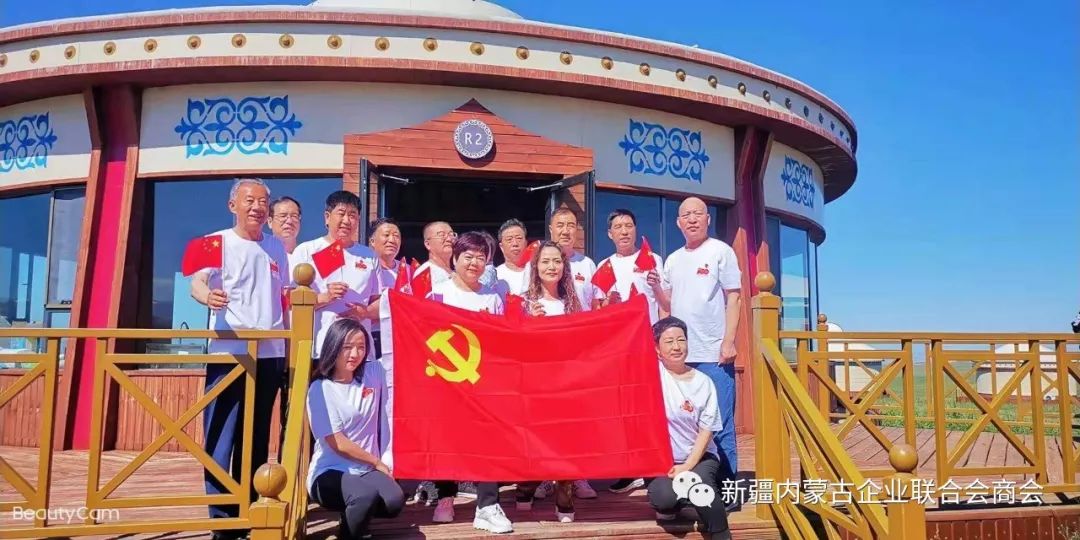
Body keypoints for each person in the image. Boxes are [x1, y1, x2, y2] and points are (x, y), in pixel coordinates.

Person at [189, 178, 289, 539]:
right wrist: (207, 296)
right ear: (233, 205)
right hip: (229, 354)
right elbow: (196, 283)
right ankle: (222, 521)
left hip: (270, 354)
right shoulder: (213, 241)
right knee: (221, 436)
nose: (257, 208)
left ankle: (249, 512)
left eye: (263, 202)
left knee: (257, 436)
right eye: (250, 201)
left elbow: (284, 299)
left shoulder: (277, 247)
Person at [653, 197, 742, 507]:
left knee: (721, 424)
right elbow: (668, 305)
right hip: (679, 357)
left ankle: (728, 490)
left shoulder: (721, 251)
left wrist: (728, 341)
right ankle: (692, 485)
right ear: (678, 223)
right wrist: (656, 289)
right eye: (686, 215)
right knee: (680, 422)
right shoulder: (673, 260)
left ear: (708, 219)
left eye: (697, 214)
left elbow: (734, 298)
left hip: (713, 353)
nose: (692, 219)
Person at [426, 231, 513, 534]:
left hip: (483, 382)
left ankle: (487, 505)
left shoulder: (492, 298)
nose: (474, 263)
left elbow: (501, 341)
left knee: (488, 441)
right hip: (447, 380)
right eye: (468, 256)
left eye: (481, 257)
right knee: (446, 439)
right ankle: (445, 496)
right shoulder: (437, 294)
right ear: (455, 258)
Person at [307, 318, 403, 540]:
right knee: (363, 496)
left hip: (365, 470)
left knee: (394, 501)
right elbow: (337, 443)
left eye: (361, 347)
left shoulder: (373, 373)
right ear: (333, 347)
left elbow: (401, 352)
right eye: (347, 347)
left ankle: (354, 515)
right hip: (330, 470)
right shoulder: (320, 388)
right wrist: (377, 462)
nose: (355, 354)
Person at [512, 241, 583, 523]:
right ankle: (526, 486)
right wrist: (527, 323)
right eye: (545, 261)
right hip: (534, 385)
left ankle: (564, 496)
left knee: (567, 441)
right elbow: (509, 343)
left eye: (557, 261)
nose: (551, 267)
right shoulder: (523, 303)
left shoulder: (573, 304)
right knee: (533, 440)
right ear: (536, 267)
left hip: (567, 385)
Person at [598, 207, 665, 495]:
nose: (624, 231)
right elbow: (599, 312)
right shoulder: (604, 266)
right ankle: (628, 469)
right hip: (619, 352)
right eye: (618, 227)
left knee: (649, 408)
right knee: (623, 411)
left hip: (648, 347)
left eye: (628, 225)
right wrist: (608, 304)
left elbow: (664, 303)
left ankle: (654, 469)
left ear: (635, 229)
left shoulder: (652, 260)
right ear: (609, 234)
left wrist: (663, 342)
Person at [646, 317, 732, 540]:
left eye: (681, 340)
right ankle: (677, 502)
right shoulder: (650, 376)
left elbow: (706, 430)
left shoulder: (704, 382)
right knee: (664, 498)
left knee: (701, 489)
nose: (676, 347)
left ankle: (721, 534)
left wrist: (687, 466)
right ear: (657, 349)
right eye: (669, 342)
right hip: (663, 462)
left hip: (699, 457)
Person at [292, 191, 380, 358]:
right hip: (320, 347)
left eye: (352, 215)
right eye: (341, 213)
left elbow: (378, 301)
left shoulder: (369, 256)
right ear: (327, 217)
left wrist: (365, 312)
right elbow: (290, 301)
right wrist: (324, 297)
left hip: (360, 350)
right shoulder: (306, 250)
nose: (346, 220)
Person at [546, 208, 603, 312]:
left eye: (571, 226)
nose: (565, 231)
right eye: (560, 225)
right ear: (551, 229)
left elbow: (596, 305)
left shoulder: (588, 264)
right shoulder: (538, 264)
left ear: (576, 229)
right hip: (550, 322)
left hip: (582, 322)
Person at [493, 219, 529, 298]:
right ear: (501, 247)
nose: (515, 244)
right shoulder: (495, 275)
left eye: (519, 238)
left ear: (526, 243)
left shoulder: (537, 271)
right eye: (509, 239)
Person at [416, 221, 456, 285]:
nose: (449, 239)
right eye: (442, 235)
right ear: (428, 244)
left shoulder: (458, 272)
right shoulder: (425, 273)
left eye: (451, 234)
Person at [269, 195, 302, 260]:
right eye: (283, 216)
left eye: (294, 216)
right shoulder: (261, 254)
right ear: (270, 222)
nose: (289, 221)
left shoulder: (309, 255)